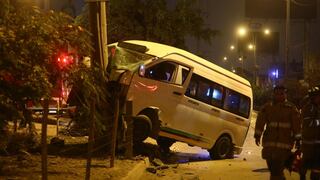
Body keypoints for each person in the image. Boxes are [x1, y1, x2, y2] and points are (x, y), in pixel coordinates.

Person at [254, 85, 301, 180]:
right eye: (277, 94)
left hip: (284, 147)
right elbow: (260, 121)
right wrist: (257, 135)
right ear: (273, 94)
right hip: (269, 146)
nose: (279, 96)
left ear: (285, 95)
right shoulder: (267, 107)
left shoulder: (291, 109)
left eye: (282, 94)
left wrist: (298, 139)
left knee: (276, 172)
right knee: (274, 171)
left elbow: (297, 125)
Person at [299, 86, 320, 180]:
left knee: (316, 169)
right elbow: (309, 123)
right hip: (308, 144)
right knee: (305, 165)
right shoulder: (308, 108)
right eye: (318, 96)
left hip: (318, 144)